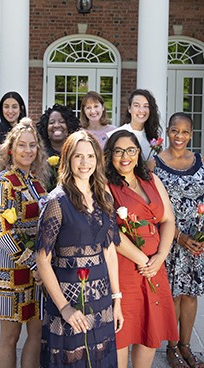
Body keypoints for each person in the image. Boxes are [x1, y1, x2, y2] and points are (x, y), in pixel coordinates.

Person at [35, 130, 124, 367]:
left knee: (99, 359)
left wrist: (117, 300)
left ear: (97, 159)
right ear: (68, 159)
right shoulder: (57, 201)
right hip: (68, 297)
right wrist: (64, 308)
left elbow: (110, 251)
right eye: (78, 156)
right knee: (71, 360)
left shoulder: (104, 197)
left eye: (90, 156)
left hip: (101, 297)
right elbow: (42, 260)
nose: (85, 163)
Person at [104, 130, 179, 368]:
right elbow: (109, 231)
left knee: (150, 332)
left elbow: (168, 220)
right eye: (118, 151)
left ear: (138, 153)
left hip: (155, 266)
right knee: (122, 331)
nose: (125, 156)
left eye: (130, 150)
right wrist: (142, 259)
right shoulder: (105, 186)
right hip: (125, 266)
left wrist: (160, 257)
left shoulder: (152, 180)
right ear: (110, 155)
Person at [0, 118, 49, 368]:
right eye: (22, 145)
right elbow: (2, 234)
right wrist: (35, 265)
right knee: (10, 337)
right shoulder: (2, 182)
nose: (27, 150)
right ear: (11, 149)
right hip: (9, 270)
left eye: (32, 145)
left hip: (36, 272)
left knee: (36, 334)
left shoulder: (37, 182)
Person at [148, 112, 204, 368]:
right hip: (169, 240)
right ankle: (171, 347)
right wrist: (177, 236)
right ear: (167, 132)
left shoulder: (201, 161)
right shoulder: (155, 164)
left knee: (191, 294)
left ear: (191, 134)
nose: (179, 136)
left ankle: (186, 346)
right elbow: (152, 207)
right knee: (172, 294)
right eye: (174, 131)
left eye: (184, 132)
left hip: (197, 240)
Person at [107, 89, 162, 160]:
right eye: (137, 105)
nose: (141, 110)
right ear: (129, 109)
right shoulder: (115, 134)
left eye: (146, 106)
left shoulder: (152, 136)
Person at [0, 91, 27, 160]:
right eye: (6, 107)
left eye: (14, 107)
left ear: (21, 109)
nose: (10, 111)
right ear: (2, 109)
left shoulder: (28, 130)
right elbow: (0, 162)